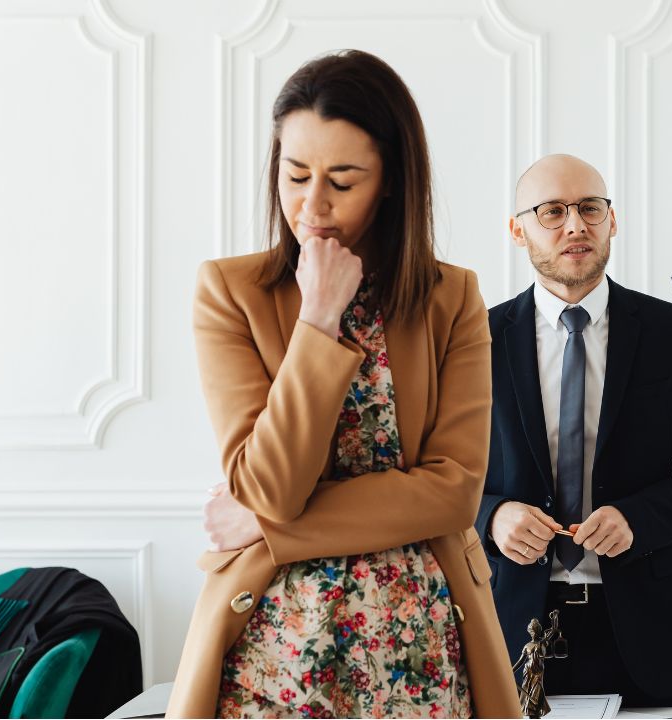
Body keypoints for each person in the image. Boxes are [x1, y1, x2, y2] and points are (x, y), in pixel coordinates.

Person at [165, 50, 518, 718]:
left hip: (419, 646)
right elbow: (270, 485)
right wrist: (319, 317)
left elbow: (450, 494)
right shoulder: (229, 292)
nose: (312, 205)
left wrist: (272, 529)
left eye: (342, 180)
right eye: (295, 175)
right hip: (274, 655)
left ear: (390, 180)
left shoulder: (451, 298)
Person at [477, 154, 672, 707]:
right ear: (517, 229)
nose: (575, 225)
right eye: (552, 211)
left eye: (590, 209)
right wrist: (493, 516)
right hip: (508, 629)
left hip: (644, 635)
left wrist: (637, 519)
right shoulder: (475, 341)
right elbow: (439, 478)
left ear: (612, 221)